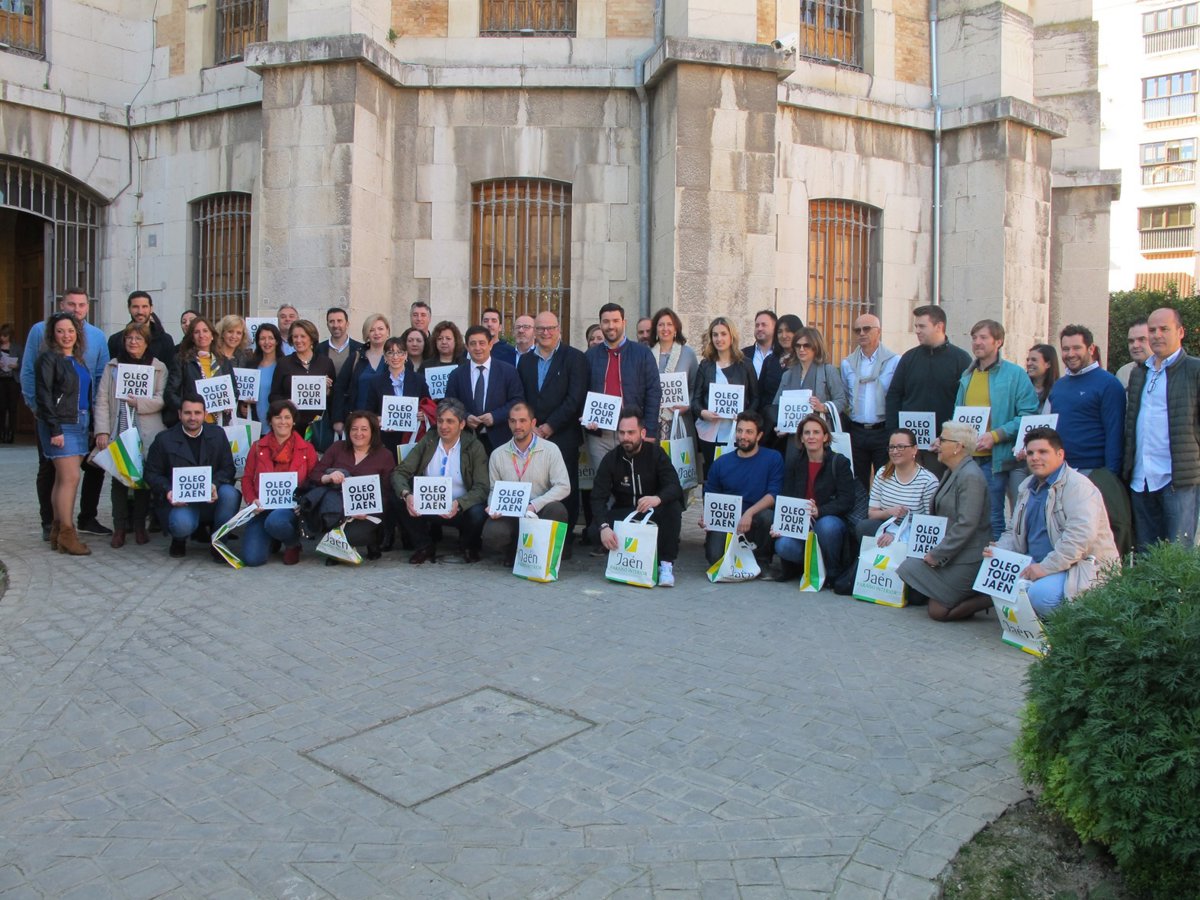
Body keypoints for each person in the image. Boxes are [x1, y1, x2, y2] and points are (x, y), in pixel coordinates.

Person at [991, 427, 1119, 617]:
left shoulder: (1079, 487)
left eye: (1043, 452)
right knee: (994, 578)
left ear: (1060, 454)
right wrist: (998, 551)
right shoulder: (1026, 486)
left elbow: (1079, 539)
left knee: (1040, 596)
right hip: (1037, 561)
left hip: (1078, 567)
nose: (1035, 457)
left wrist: (1044, 568)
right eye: (1030, 453)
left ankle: (1069, 627)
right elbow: (1013, 531)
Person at [21, 288, 111, 539]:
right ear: (62, 305)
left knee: (91, 468)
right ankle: (52, 524)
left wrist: (97, 417)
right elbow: (29, 372)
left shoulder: (96, 337)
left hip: (84, 417)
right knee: (53, 471)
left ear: (88, 307)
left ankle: (85, 519)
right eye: (71, 304)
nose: (76, 309)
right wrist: (37, 408)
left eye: (82, 305)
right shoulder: (40, 331)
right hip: (54, 418)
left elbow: (99, 377)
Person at [1046, 324, 1130, 555]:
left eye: (1076, 348)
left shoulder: (1108, 384)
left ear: (1091, 349)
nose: (1070, 354)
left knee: (1096, 538)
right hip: (1062, 472)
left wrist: (1109, 476)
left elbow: (1114, 431)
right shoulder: (1059, 386)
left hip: (1094, 473)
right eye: (1065, 349)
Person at [896, 420, 993, 620]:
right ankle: (964, 592)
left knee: (938, 612)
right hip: (952, 553)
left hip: (967, 556)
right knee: (907, 568)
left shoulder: (970, 476)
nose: (937, 443)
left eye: (942, 439)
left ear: (958, 446)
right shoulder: (953, 471)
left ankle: (987, 597)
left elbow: (967, 524)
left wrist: (937, 555)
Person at [953, 319, 1039, 539]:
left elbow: (1029, 415)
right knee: (970, 516)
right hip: (968, 459)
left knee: (993, 518)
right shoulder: (967, 376)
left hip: (996, 459)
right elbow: (958, 417)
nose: (977, 342)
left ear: (998, 341)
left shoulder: (1015, 374)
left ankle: (994, 556)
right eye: (974, 338)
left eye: (983, 337)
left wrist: (996, 435)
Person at [1123, 306, 1200, 551]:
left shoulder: (1194, 370)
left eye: (1164, 329)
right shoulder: (1139, 373)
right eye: (1152, 330)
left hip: (1177, 478)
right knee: (1146, 553)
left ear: (1180, 332)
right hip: (1141, 478)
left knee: (1178, 553)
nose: (1157, 335)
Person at [589, 407, 683, 587]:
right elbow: (597, 497)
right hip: (625, 512)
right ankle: (624, 555)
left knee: (673, 508)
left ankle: (665, 565)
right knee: (595, 530)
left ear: (643, 433)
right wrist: (604, 527)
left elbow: (674, 486)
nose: (626, 437)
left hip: (653, 511)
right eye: (622, 433)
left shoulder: (656, 454)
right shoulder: (611, 459)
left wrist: (657, 499)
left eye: (631, 432)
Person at [94, 322, 168, 548]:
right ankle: (119, 527)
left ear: (146, 343)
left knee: (143, 480)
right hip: (119, 428)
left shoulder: (158, 367)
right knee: (119, 479)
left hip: (147, 432)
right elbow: (102, 399)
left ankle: (139, 526)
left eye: (138, 338)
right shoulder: (113, 366)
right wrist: (102, 430)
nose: (133, 342)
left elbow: (161, 399)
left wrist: (139, 403)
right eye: (129, 338)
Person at [517, 310, 588, 541]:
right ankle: (536, 536)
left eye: (550, 328)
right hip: (532, 436)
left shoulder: (575, 358)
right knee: (536, 485)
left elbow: (575, 398)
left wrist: (550, 426)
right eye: (540, 328)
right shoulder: (525, 360)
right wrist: (531, 426)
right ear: (534, 332)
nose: (545, 332)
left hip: (563, 435)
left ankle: (564, 540)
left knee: (564, 487)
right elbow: (522, 396)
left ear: (559, 330)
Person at [392, 398, 490, 564]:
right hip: (428, 505)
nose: (443, 426)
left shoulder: (474, 446)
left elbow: (482, 487)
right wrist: (407, 495)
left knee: (478, 512)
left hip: (460, 508)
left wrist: (459, 503)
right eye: (440, 421)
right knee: (398, 495)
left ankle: (468, 546)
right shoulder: (429, 440)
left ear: (462, 424)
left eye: (450, 421)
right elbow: (400, 472)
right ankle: (424, 546)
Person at [144, 394, 240, 559]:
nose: (193, 417)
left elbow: (228, 468)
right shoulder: (164, 439)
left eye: (197, 413)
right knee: (181, 525)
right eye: (188, 413)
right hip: (180, 502)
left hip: (211, 498)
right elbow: (151, 473)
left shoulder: (218, 434)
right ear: (179, 414)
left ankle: (219, 543)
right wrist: (168, 490)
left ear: (205, 414)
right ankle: (179, 539)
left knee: (231, 494)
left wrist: (215, 484)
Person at [885, 305, 972, 474]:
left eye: (922, 326)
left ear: (939, 326)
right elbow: (894, 395)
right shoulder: (909, 358)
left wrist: (949, 438)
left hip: (942, 446)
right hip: (909, 446)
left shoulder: (961, 359)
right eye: (916, 326)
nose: (917, 331)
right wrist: (894, 434)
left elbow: (965, 404)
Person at [34, 313, 93, 555]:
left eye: (70, 330)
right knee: (71, 478)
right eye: (60, 331)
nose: (66, 335)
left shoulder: (78, 360)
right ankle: (68, 533)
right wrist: (54, 428)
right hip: (61, 424)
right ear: (53, 334)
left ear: (77, 333)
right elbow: (44, 396)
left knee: (63, 479)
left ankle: (58, 530)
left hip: (80, 422)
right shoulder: (48, 359)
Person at [773, 414, 856, 583]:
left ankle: (832, 571)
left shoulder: (839, 462)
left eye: (816, 432)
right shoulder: (794, 462)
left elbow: (847, 500)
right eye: (807, 433)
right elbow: (786, 496)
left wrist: (820, 511)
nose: (811, 436)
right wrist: (779, 523)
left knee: (826, 527)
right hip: (800, 522)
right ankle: (809, 567)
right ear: (801, 438)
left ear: (825, 437)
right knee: (782, 545)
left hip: (828, 519)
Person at [486, 403, 571, 565]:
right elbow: (493, 489)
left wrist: (534, 505)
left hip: (539, 509)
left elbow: (563, 486)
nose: (517, 426)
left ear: (533, 423)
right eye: (513, 421)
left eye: (523, 421)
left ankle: (541, 556)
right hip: (510, 512)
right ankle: (514, 551)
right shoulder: (497, 454)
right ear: (508, 423)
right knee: (493, 534)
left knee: (557, 510)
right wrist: (493, 505)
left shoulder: (551, 450)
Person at [306, 410, 395, 562]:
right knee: (330, 532)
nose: (358, 433)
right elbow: (315, 474)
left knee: (353, 536)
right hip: (336, 509)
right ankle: (336, 545)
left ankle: (373, 539)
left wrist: (367, 510)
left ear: (373, 431)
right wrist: (328, 477)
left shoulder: (385, 455)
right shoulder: (337, 448)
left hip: (367, 513)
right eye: (354, 429)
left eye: (364, 429)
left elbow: (387, 492)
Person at [240, 399, 320, 567]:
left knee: (276, 522)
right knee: (252, 559)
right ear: (270, 421)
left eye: (287, 417)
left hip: (291, 510)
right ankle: (274, 538)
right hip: (262, 509)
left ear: (293, 421)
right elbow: (247, 478)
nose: (283, 422)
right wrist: (252, 500)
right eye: (278, 417)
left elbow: (314, 481)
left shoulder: (307, 449)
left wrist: (304, 503)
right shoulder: (257, 447)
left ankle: (292, 543)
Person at [699, 411, 783, 568]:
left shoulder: (773, 458)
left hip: (756, 518)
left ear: (759, 436)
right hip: (727, 520)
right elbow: (710, 495)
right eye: (739, 431)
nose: (743, 436)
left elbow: (773, 494)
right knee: (715, 558)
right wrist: (707, 516)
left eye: (749, 432)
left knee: (768, 516)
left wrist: (749, 513)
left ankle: (762, 561)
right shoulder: (721, 462)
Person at [583, 302, 661, 466]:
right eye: (606, 321)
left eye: (615, 321)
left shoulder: (642, 353)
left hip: (632, 431)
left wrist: (649, 431)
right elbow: (582, 392)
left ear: (624, 323)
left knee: (634, 477)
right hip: (599, 434)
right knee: (604, 479)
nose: (611, 326)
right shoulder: (589, 356)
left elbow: (653, 392)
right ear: (600, 324)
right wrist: (586, 417)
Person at [691, 317, 758, 472]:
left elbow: (756, 397)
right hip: (709, 432)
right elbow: (696, 400)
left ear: (731, 336)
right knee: (712, 472)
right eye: (715, 335)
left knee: (735, 472)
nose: (719, 339)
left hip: (736, 432)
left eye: (723, 334)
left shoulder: (745, 364)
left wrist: (744, 417)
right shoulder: (705, 365)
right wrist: (703, 412)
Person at [840, 313, 899, 486]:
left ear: (878, 331)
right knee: (858, 482)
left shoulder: (893, 361)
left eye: (866, 329)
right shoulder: (847, 364)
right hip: (857, 430)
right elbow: (845, 395)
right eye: (857, 330)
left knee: (885, 479)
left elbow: (897, 394)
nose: (861, 333)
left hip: (883, 429)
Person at [445, 324, 524, 454]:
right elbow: (449, 403)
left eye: (482, 343)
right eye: (473, 344)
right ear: (467, 347)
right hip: (466, 440)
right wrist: (465, 417)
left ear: (490, 344)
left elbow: (517, 401)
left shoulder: (508, 371)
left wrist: (495, 416)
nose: (477, 348)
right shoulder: (456, 374)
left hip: (501, 440)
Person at [768, 326, 847, 455]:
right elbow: (777, 405)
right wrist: (781, 425)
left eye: (806, 345)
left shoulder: (828, 371)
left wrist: (823, 407)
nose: (801, 349)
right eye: (798, 346)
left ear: (816, 347)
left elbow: (841, 401)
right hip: (793, 439)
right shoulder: (788, 375)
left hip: (819, 437)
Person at [856, 427, 939, 543]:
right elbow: (872, 513)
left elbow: (930, 523)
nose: (895, 451)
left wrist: (897, 534)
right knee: (864, 526)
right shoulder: (882, 473)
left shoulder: (928, 481)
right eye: (891, 447)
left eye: (901, 447)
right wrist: (888, 513)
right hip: (885, 529)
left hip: (911, 535)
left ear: (914, 449)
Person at [365, 336, 430, 457]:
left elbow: (428, 405)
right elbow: (369, 412)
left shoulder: (419, 380)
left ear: (406, 355)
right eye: (390, 353)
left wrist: (424, 414)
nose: (395, 357)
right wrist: (378, 420)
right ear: (385, 357)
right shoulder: (376, 382)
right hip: (385, 439)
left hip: (413, 437)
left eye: (400, 352)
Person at [269, 319, 337, 435]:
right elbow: (273, 396)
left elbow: (335, 396)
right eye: (295, 337)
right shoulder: (283, 363)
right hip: (291, 426)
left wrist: (327, 391)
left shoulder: (326, 363)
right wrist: (286, 403)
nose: (298, 340)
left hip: (318, 427)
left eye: (303, 336)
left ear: (311, 339)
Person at [164, 316, 235, 426]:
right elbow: (170, 394)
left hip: (219, 423)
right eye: (196, 332)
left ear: (212, 335)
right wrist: (187, 408)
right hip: (191, 423)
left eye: (205, 331)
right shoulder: (182, 360)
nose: (201, 335)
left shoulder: (223, 361)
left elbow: (234, 389)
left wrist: (230, 402)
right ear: (192, 337)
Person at [332, 313, 389, 431]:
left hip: (386, 423)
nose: (377, 333)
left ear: (387, 331)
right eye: (372, 330)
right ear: (366, 334)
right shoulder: (356, 357)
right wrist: (338, 419)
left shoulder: (397, 359)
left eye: (380, 329)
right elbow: (340, 388)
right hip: (357, 421)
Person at [649, 307, 699, 440]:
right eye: (661, 325)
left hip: (680, 420)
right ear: (655, 329)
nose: (665, 328)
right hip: (653, 420)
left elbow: (695, 386)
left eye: (669, 324)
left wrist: (687, 406)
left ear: (676, 328)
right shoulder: (646, 354)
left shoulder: (688, 354)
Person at [758, 313, 802, 440]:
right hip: (770, 424)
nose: (784, 335)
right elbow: (760, 392)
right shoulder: (770, 361)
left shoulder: (804, 361)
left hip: (797, 425)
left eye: (788, 331)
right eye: (780, 332)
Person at [107, 290, 176, 363]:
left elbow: (170, 368)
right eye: (135, 307)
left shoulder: (165, 340)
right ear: (129, 309)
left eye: (144, 307)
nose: (140, 311)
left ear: (151, 308)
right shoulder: (115, 340)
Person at [241, 323, 282, 423]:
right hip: (255, 419)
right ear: (258, 342)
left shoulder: (284, 365)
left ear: (277, 341)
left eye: (271, 338)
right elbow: (244, 393)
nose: (267, 342)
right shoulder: (250, 365)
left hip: (279, 420)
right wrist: (243, 404)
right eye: (262, 338)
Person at [316, 307, 363, 377]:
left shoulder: (360, 348)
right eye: (331, 321)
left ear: (347, 324)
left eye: (339, 321)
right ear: (327, 325)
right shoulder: (318, 349)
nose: (335, 325)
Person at [742, 310, 778, 379]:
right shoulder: (743, 355)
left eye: (764, 325)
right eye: (757, 325)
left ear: (775, 328)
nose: (759, 328)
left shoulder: (782, 354)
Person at [0, 323, 20, 443]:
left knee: (12, 408)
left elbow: (23, 362)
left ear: (10, 336)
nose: (2, 338)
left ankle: (11, 432)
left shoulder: (17, 348)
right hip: (1, 380)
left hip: (13, 380)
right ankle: (2, 432)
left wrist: (16, 366)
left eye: (5, 335)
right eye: (1, 335)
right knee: (1, 407)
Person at [1115, 318, 1149, 389]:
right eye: (1131, 341)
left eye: (1141, 339)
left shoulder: (1167, 372)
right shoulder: (1123, 373)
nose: (1135, 345)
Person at [1025, 343, 1059, 412]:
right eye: (1028, 360)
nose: (1029, 363)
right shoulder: (1021, 388)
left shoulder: (1058, 390)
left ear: (1048, 364)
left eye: (1034, 360)